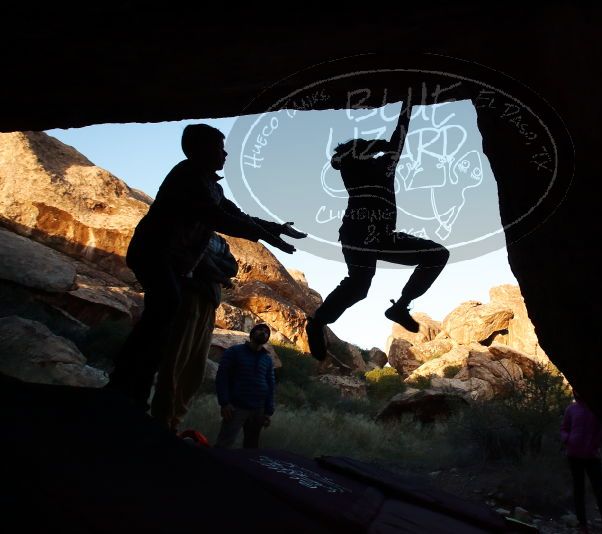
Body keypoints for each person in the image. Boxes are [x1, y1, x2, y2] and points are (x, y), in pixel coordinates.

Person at [106, 124, 305, 410]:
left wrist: (277, 229)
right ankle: (123, 385)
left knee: (161, 318)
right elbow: (217, 217)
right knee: (164, 310)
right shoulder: (187, 176)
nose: (225, 153)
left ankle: (132, 388)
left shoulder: (210, 184)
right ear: (199, 148)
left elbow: (235, 214)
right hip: (155, 253)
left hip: (171, 261)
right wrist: (266, 235)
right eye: (218, 146)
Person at [306, 101, 449, 360]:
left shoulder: (384, 166)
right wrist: (380, 143)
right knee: (358, 287)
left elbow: (399, 136)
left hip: (381, 236)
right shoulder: (350, 167)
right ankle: (316, 323)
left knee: (437, 254)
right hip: (357, 234)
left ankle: (401, 307)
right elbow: (338, 159)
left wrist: (408, 106)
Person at [150, 233, 237, 432]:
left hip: (210, 302)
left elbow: (232, 267)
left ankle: (175, 419)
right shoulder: (195, 228)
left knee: (196, 366)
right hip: (189, 295)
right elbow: (194, 257)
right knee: (176, 359)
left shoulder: (221, 242)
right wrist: (218, 274)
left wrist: (209, 264)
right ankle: (162, 418)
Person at [560, 391, 602, 534]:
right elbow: (564, 428)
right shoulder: (571, 409)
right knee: (578, 490)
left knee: (599, 490)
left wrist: (596, 444)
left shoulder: (596, 409)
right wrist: (568, 439)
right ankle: (582, 525)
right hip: (574, 456)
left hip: (592, 456)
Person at [214, 323, 275, 449]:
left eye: (266, 332)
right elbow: (222, 377)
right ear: (252, 334)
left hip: (258, 409)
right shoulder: (234, 352)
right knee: (224, 444)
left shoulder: (267, 360)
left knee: (251, 447)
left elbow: (270, 385)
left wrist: (268, 411)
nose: (264, 332)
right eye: (260, 330)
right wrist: (224, 403)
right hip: (236, 408)